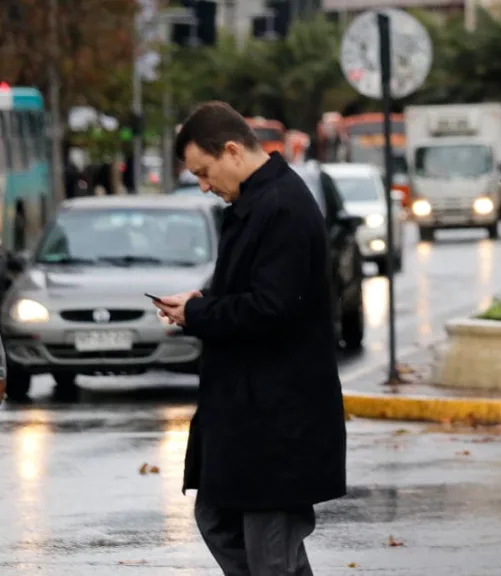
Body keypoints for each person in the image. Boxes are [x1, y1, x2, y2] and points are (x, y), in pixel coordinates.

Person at [152, 101, 345, 576]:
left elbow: (272, 309)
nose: (203, 185)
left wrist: (200, 311)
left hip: (277, 421)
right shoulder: (257, 203)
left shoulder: (280, 207)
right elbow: (257, 289)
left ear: (232, 151)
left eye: (204, 171)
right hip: (251, 417)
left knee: (268, 553)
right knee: (219, 520)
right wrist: (203, 301)